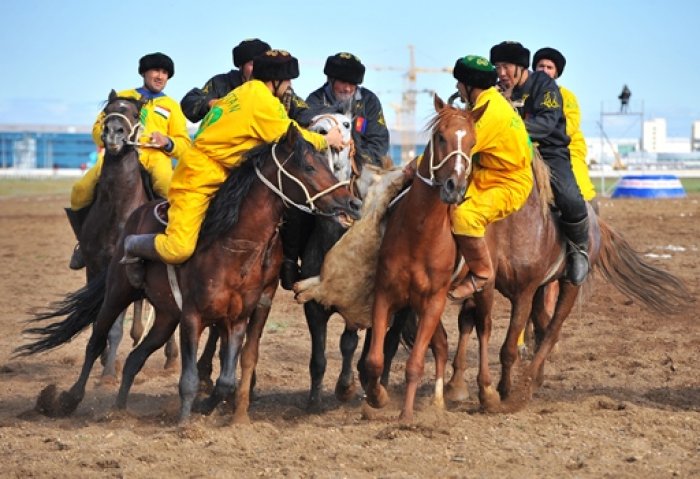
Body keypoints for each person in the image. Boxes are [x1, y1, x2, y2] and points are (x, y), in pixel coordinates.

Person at [120, 50, 344, 289]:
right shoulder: (262, 102)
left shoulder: (245, 91)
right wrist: (326, 140)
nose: (289, 87)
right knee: (178, 249)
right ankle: (133, 245)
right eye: (287, 81)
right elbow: (290, 136)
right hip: (199, 175)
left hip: (227, 175)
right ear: (275, 80)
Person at [67, 52, 190, 270]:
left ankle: (169, 242)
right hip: (117, 158)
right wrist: (106, 139)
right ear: (144, 72)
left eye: (165, 73)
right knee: (79, 191)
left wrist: (167, 141)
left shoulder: (172, 106)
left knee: (169, 188)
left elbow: (184, 144)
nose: (160, 76)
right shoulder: (122, 97)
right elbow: (98, 128)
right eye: (156, 71)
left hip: (155, 157)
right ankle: (83, 246)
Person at [278, 51, 391, 289]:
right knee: (295, 207)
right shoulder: (313, 101)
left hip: (362, 170)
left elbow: (379, 142)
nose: (348, 88)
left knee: (390, 207)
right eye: (343, 82)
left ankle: (389, 263)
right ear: (331, 80)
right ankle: (290, 260)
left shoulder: (369, 101)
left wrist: (355, 157)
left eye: (353, 84)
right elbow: (305, 141)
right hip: (321, 173)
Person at [490, 41, 590, 285]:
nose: (501, 73)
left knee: (569, 196)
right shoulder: (496, 88)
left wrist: (510, 128)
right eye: (498, 67)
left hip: (547, 151)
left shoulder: (545, 86)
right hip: (509, 151)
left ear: (521, 67)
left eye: (506, 67)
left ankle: (579, 249)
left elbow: (546, 124)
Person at [448, 55, 534, 299]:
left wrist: (414, 169)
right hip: (486, 175)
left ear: (470, 86)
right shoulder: (487, 100)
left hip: (508, 183)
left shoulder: (489, 113)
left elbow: (459, 151)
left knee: (464, 216)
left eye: (459, 83)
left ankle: (481, 272)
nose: (456, 88)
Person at [181, 38, 311, 125]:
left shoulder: (277, 87)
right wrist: (213, 103)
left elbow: (305, 112)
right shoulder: (221, 83)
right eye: (252, 64)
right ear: (240, 66)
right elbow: (189, 101)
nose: (258, 70)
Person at [533, 47, 597, 208]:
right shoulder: (526, 93)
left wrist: (542, 135)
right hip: (532, 146)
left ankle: (586, 217)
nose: (544, 70)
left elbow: (571, 124)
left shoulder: (566, 96)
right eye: (541, 66)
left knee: (577, 186)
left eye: (549, 67)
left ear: (556, 73)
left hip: (566, 147)